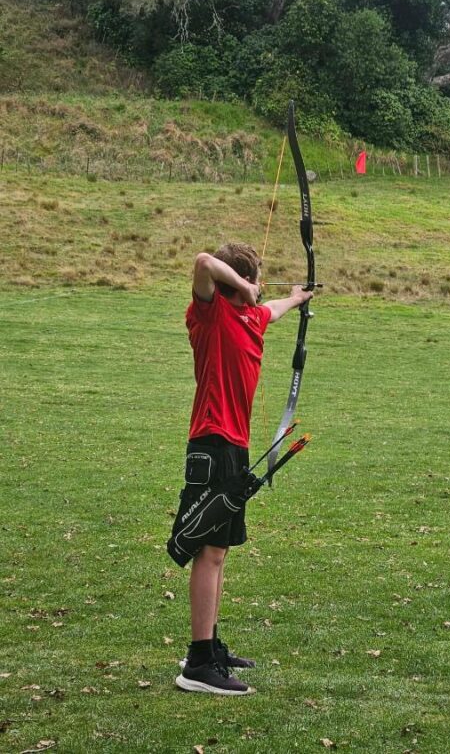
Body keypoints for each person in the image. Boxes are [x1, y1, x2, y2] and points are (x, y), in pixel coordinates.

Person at [169, 243, 313, 696]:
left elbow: (271, 309)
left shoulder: (252, 318)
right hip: (211, 441)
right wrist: (243, 284)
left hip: (233, 446)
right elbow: (201, 263)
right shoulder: (209, 315)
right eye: (254, 280)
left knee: (220, 550)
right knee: (208, 552)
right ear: (240, 282)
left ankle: (210, 648)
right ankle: (197, 663)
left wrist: (296, 297)